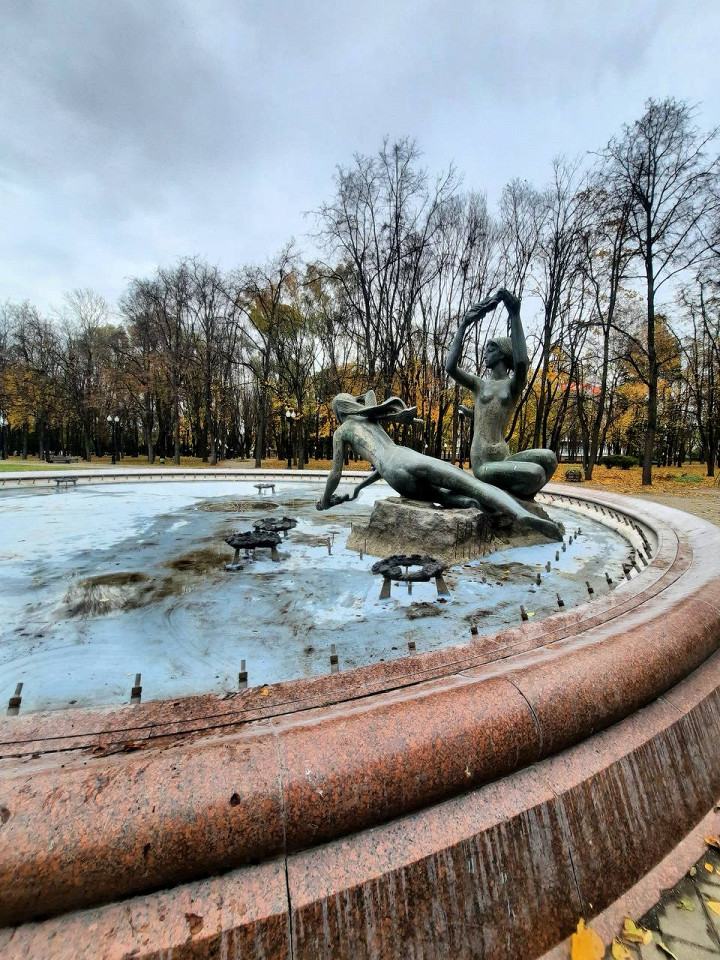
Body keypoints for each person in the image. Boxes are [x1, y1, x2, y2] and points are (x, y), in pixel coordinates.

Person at [316, 390, 561, 541]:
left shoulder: (342, 432)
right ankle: (521, 514)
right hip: (406, 457)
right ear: (354, 406)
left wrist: (329, 498)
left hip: (396, 477)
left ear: (338, 413)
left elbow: (337, 474)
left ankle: (475, 507)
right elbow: (370, 394)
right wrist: (360, 401)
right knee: (472, 485)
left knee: (446, 497)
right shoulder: (371, 420)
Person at [446, 287, 557, 499]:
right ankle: (509, 500)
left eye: (490, 350)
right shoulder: (479, 385)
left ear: (502, 354)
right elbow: (450, 367)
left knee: (549, 458)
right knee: (535, 473)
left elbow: (522, 363)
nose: (485, 354)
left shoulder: (512, 386)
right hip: (483, 462)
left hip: (504, 458)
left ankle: (517, 500)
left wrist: (515, 314)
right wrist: (464, 324)